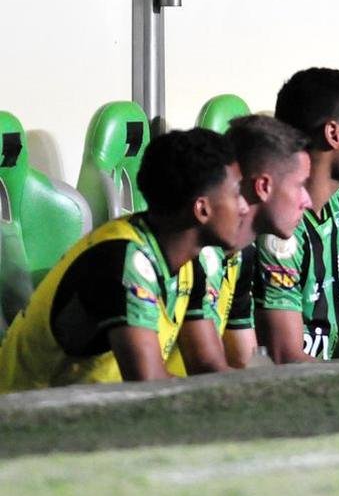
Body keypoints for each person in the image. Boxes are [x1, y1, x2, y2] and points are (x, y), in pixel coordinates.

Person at [0, 129, 247, 391]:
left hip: (91, 410)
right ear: (202, 209)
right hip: (26, 411)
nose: (244, 207)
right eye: (236, 194)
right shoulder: (121, 261)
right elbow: (149, 386)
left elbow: (207, 366)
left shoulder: (190, 261)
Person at [164, 115, 312, 373]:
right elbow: (207, 369)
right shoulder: (196, 252)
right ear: (263, 186)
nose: (307, 201)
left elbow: (247, 365)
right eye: (300, 185)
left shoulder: (241, 256)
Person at [253, 68, 339, 362]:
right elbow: (286, 358)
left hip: (327, 375)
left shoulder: (336, 205)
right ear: (333, 134)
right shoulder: (280, 231)